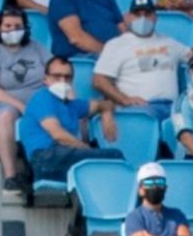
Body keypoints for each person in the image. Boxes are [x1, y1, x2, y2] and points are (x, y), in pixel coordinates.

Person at [0, 9, 52, 192]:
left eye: (17, 26)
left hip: (33, 107)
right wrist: (22, 107)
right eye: (7, 26)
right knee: (7, 113)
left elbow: (55, 72)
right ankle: (11, 176)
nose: (12, 30)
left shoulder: (37, 48)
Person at [18, 55, 121, 185]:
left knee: (112, 161)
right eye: (57, 76)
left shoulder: (72, 105)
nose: (62, 81)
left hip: (64, 155)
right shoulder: (42, 97)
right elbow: (58, 135)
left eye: (67, 77)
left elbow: (104, 104)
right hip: (46, 158)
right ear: (46, 79)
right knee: (113, 157)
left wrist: (107, 114)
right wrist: (88, 150)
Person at [94, 0, 187, 124]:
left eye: (147, 14)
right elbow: (99, 80)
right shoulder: (116, 45)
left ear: (155, 17)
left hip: (174, 107)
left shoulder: (170, 43)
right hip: (142, 108)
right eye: (137, 15)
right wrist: (124, 99)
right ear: (129, 17)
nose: (142, 19)